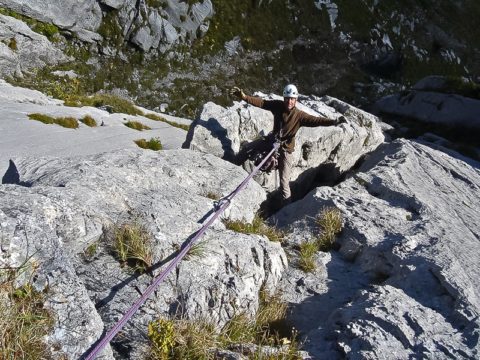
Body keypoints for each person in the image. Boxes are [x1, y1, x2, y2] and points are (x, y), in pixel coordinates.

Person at [229, 84, 346, 205]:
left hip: (285, 149)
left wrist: (334, 121)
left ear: (296, 100)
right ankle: (230, 168)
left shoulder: (300, 116)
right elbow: (262, 103)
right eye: (287, 98)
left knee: (284, 182)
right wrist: (244, 97)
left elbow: (317, 120)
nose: (289, 101)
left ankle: (287, 209)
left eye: (292, 99)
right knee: (247, 149)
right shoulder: (278, 106)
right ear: (284, 98)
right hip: (272, 141)